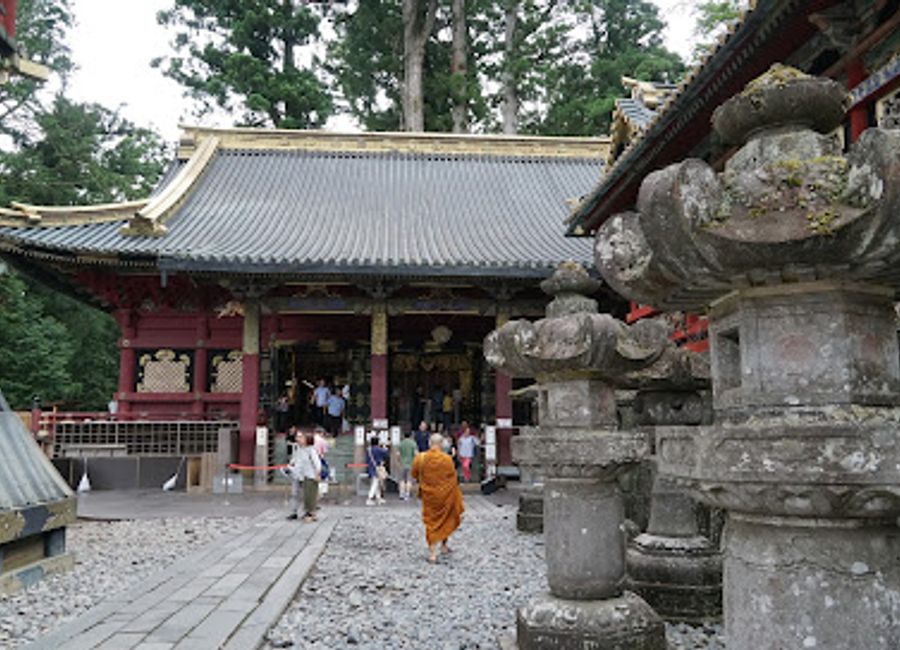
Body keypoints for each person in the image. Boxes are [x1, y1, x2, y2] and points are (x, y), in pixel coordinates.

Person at [411, 433, 464, 563]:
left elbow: (414, 474)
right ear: (441, 445)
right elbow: (453, 478)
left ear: (430, 443)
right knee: (446, 518)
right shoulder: (447, 459)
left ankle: (433, 552)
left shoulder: (420, 458)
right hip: (445, 495)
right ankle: (444, 545)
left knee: (431, 522)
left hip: (429, 496)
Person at [287, 431, 321, 522]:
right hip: (297, 474)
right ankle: (294, 512)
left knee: (309, 494)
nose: (298, 439)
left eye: (300, 437)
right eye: (297, 437)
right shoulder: (298, 449)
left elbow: (317, 463)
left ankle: (310, 513)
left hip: (308, 475)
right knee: (295, 494)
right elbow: (295, 459)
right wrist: (291, 465)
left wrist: (317, 474)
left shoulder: (311, 450)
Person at [366, 437, 388, 506]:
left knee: (376, 483)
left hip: (371, 467)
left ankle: (378, 498)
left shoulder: (369, 449)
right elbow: (386, 453)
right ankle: (369, 498)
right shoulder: (378, 449)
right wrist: (384, 446)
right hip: (377, 468)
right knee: (375, 484)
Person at [398, 430, 418, 500]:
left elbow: (398, 455)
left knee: (402, 480)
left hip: (402, 464)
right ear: (411, 435)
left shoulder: (401, 443)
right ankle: (407, 495)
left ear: (403, 435)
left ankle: (401, 494)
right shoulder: (413, 443)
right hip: (411, 464)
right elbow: (416, 454)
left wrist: (399, 461)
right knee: (409, 480)